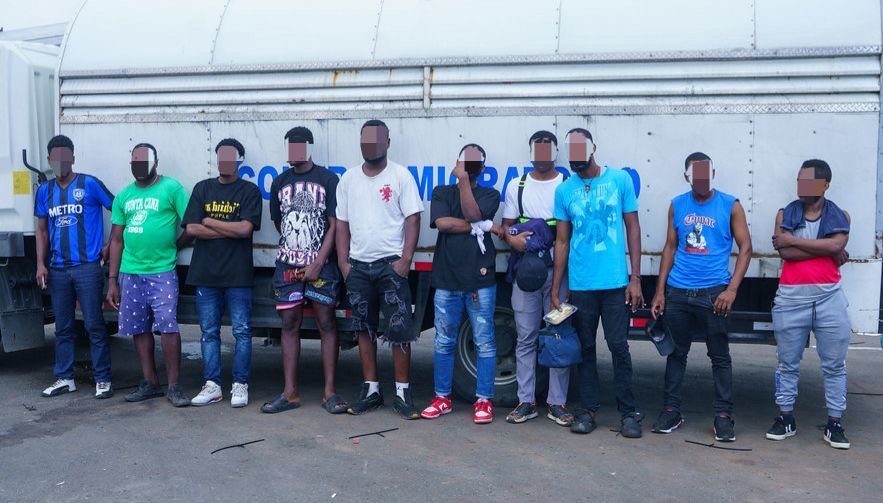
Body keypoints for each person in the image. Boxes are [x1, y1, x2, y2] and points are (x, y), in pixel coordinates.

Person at [649, 152, 752, 442]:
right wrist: (660, 291)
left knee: (719, 356)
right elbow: (670, 247)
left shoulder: (730, 205)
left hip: (714, 294)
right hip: (678, 291)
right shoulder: (678, 204)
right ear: (687, 177)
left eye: (707, 174)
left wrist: (731, 290)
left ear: (713, 174)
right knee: (675, 354)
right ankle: (671, 411)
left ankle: (723, 416)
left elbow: (746, 247)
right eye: (696, 175)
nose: (703, 180)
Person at [551, 127, 644, 438]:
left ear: (593, 148)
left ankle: (628, 414)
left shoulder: (619, 180)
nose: (576, 156)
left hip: (615, 283)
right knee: (586, 348)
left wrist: (635, 278)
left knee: (618, 347)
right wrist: (556, 288)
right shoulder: (564, 190)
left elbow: (633, 228)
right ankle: (588, 411)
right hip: (581, 285)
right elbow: (562, 241)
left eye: (581, 148)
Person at [336, 119, 423, 419]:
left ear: (387, 142)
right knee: (364, 329)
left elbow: (413, 218)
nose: (370, 145)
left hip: (390, 267)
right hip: (358, 268)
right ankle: (371, 390)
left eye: (376, 139)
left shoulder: (400, 175)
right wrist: (343, 263)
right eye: (365, 140)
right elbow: (342, 224)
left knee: (399, 330)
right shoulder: (348, 179)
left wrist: (405, 260)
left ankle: (403, 394)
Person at [261, 127, 348, 415]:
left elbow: (335, 225)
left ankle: (330, 392)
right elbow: (279, 222)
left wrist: (317, 263)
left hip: (322, 267)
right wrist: (296, 254)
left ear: (309, 148)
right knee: (289, 324)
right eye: (290, 146)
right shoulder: (280, 182)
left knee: (327, 323)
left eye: (299, 146)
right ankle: (290, 393)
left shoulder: (328, 180)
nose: (294, 152)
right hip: (288, 265)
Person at [766, 159, 852, 449]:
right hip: (790, 299)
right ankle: (785, 418)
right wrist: (827, 249)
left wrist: (794, 241)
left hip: (830, 298)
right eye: (799, 180)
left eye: (808, 181)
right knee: (786, 364)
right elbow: (786, 253)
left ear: (824, 185)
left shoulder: (841, 215)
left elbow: (834, 246)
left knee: (835, 366)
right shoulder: (784, 213)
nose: (801, 186)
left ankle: (834, 424)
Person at [421, 144, 503, 424]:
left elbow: (473, 214)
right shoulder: (441, 192)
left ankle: (484, 400)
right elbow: (443, 224)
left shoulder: (490, 195)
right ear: (456, 163)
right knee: (444, 340)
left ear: (482, 168)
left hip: (480, 281)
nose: (468, 167)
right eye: (464, 162)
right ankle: (442, 398)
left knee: (485, 342)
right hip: (447, 280)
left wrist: (466, 185)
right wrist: (480, 226)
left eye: (474, 163)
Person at [106, 143, 192, 407]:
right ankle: (150, 383)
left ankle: (174, 387)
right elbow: (117, 240)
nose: (139, 165)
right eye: (135, 161)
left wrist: (175, 246)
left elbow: (191, 225)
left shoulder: (172, 188)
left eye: (144, 161)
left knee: (167, 326)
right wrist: (112, 280)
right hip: (130, 272)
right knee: (139, 328)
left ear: (156, 162)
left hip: (162, 271)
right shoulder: (124, 196)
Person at [501, 130, 574, 427]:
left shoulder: (567, 185)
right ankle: (526, 402)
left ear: (556, 152)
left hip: (559, 274)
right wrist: (512, 240)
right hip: (526, 275)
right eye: (537, 149)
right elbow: (506, 227)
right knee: (526, 338)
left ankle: (557, 403)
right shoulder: (517, 186)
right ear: (530, 152)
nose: (542, 155)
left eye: (548, 149)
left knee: (558, 336)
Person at [35, 135, 115, 399]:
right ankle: (65, 378)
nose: (60, 162)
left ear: (73, 159)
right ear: (49, 160)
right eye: (55, 158)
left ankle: (103, 379)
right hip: (57, 270)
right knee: (63, 328)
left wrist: (110, 244)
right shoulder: (44, 191)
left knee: (94, 325)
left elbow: (119, 210)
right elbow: (42, 231)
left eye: (65, 157)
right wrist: (40, 264)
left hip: (87, 268)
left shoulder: (89, 184)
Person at [184, 138, 262, 408]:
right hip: (205, 274)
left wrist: (209, 221)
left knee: (242, 332)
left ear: (239, 161)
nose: (225, 161)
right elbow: (192, 229)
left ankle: (240, 385)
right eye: (221, 156)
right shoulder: (202, 188)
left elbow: (245, 230)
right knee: (209, 332)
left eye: (230, 156)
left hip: (238, 275)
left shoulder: (249, 191)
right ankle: (212, 385)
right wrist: (228, 228)